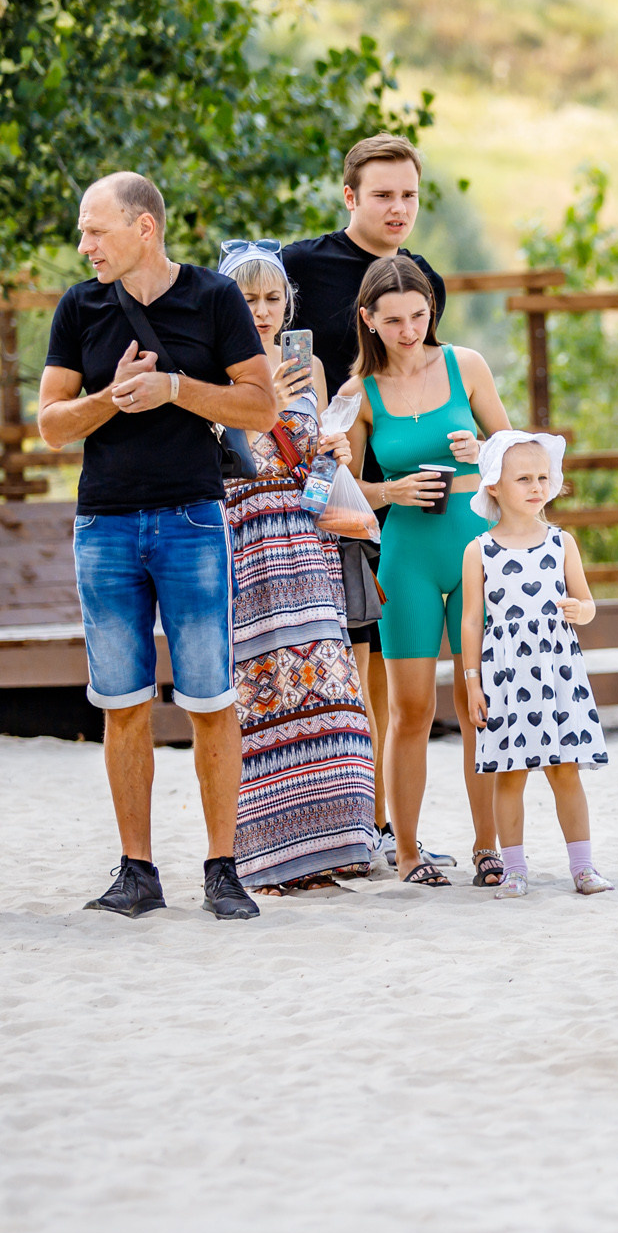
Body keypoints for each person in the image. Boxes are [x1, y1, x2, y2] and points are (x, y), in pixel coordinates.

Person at [38, 172, 279, 920]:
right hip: (103, 524)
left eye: (95, 230)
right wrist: (110, 398)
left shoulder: (214, 297)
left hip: (193, 521)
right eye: (84, 232)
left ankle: (222, 869)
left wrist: (176, 387)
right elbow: (49, 424)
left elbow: (263, 404)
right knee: (122, 703)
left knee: (211, 699)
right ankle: (136, 872)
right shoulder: (79, 306)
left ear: (144, 227)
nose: (85, 246)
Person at [280, 134, 446, 871]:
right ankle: (335, 825)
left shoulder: (422, 277)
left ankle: (377, 826)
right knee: (334, 666)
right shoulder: (299, 264)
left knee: (382, 662)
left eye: (408, 194)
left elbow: (427, 381)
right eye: (383, 195)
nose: (398, 208)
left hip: (402, 504)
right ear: (350, 197)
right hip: (318, 491)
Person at [340, 255, 515, 887]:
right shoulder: (357, 395)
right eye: (394, 320)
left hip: (475, 553)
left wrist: (486, 452)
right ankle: (409, 853)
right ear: (369, 320)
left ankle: (487, 847)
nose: (410, 329)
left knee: (480, 706)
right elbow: (345, 491)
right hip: (406, 556)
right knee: (411, 710)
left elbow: (523, 461)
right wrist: (393, 493)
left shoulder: (466, 365)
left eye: (419, 315)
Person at [216, 243, 379, 894]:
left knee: (330, 699)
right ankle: (265, 861)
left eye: (272, 298)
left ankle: (324, 853)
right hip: (245, 549)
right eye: (248, 298)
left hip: (307, 550)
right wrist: (259, 407)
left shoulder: (303, 366)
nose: (261, 310)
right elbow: (222, 466)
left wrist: (331, 447)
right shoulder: (209, 368)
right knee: (263, 705)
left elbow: (310, 481)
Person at [462, 430, 610, 897]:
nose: (536, 487)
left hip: (556, 672)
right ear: (493, 486)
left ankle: (583, 868)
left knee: (565, 769)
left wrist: (580, 611)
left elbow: (586, 603)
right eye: (523, 478)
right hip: (505, 676)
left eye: (543, 477)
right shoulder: (479, 550)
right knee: (510, 774)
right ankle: (515, 869)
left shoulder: (562, 543)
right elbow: (471, 622)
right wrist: (472, 682)